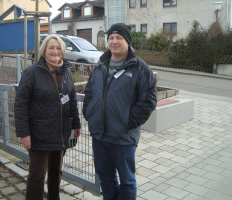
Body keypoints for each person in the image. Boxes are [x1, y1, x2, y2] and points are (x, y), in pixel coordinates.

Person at [83, 23, 157, 200]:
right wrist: (89, 114)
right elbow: (89, 92)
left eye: (119, 38)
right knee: (105, 177)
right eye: (111, 38)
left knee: (127, 181)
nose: (114, 41)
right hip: (99, 135)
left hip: (123, 137)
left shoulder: (139, 68)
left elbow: (148, 100)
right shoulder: (101, 64)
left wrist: (128, 122)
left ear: (127, 41)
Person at [14, 34, 81, 200]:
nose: (55, 51)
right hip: (39, 135)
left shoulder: (66, 72)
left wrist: (76, 124)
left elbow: (72, 99)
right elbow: (20, 104)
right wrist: (24, 133)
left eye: (58, 48)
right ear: (44, 51)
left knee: (56, 172)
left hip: (60, 133)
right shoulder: (32, 73)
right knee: (37, 175)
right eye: (51, 47)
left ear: (63, 51)